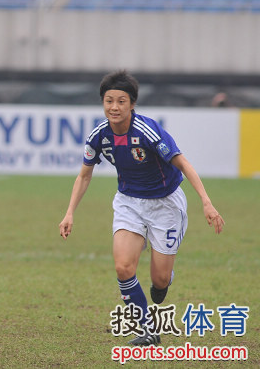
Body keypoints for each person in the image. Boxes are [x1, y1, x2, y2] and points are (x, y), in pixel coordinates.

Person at [58, 70, 224, 346]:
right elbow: (84, 175)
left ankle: (163, 282)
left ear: (132, 104)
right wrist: (69, 212)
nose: (114, 107)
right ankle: (147, 330)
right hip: (129, 203)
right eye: (109, 101)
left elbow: (182, 163)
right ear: (103, 103)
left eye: (121, 101)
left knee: (159, 280)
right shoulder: (99, 136)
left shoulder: (148, 130)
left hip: (166, 204)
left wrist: (206, 202)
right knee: (123, 267)